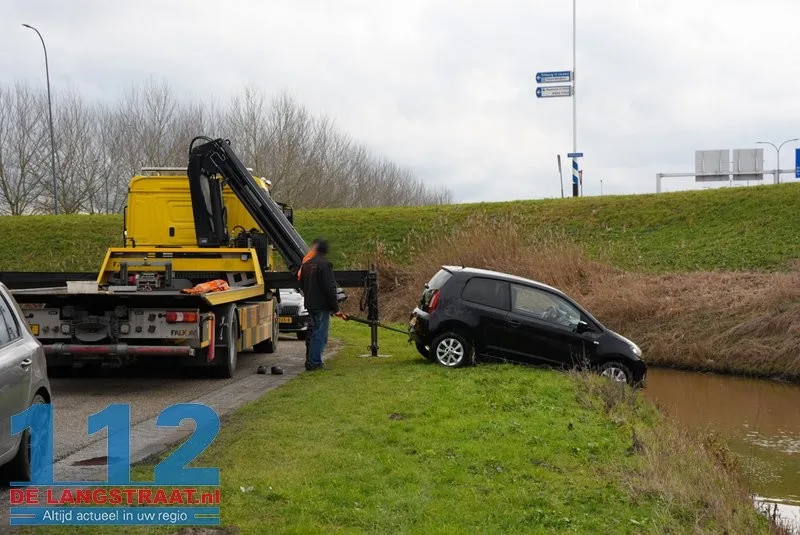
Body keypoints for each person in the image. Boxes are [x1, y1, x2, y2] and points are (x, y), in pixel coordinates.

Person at [299, 238, 339, 371]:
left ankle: (311, 360)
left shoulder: (306, 265)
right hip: (322, 305)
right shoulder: (324, 265)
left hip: (310, 304)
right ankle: (315, 362)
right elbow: (330, 288)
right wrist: (335, 307)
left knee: (314, 332)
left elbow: (302, 285)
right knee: (320, 334)